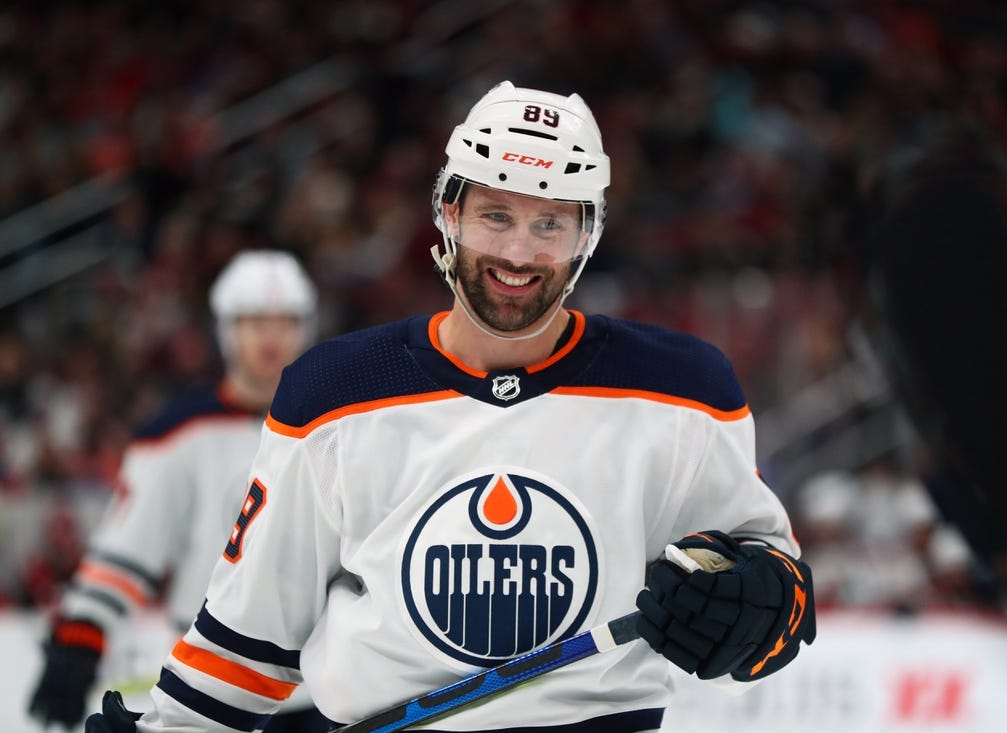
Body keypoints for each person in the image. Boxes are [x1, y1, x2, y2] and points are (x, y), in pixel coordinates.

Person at [85, 81, 816, 733]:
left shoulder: (683, 388)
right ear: (449, 212)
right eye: (496, 215)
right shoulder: (334, 390)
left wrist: (755, 606)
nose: (520, 253)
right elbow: (249, 640)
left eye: (550, 224)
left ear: (587, 235)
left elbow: (778, 587)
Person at [29, 249, 332, 732]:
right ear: (227, 329)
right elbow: (128, 548)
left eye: (286, 321)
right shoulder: (178, 433)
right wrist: (83, 628)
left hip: (323, 689)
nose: (272, 336)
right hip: (211, 687)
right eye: (256, 321)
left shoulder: (342, 426)